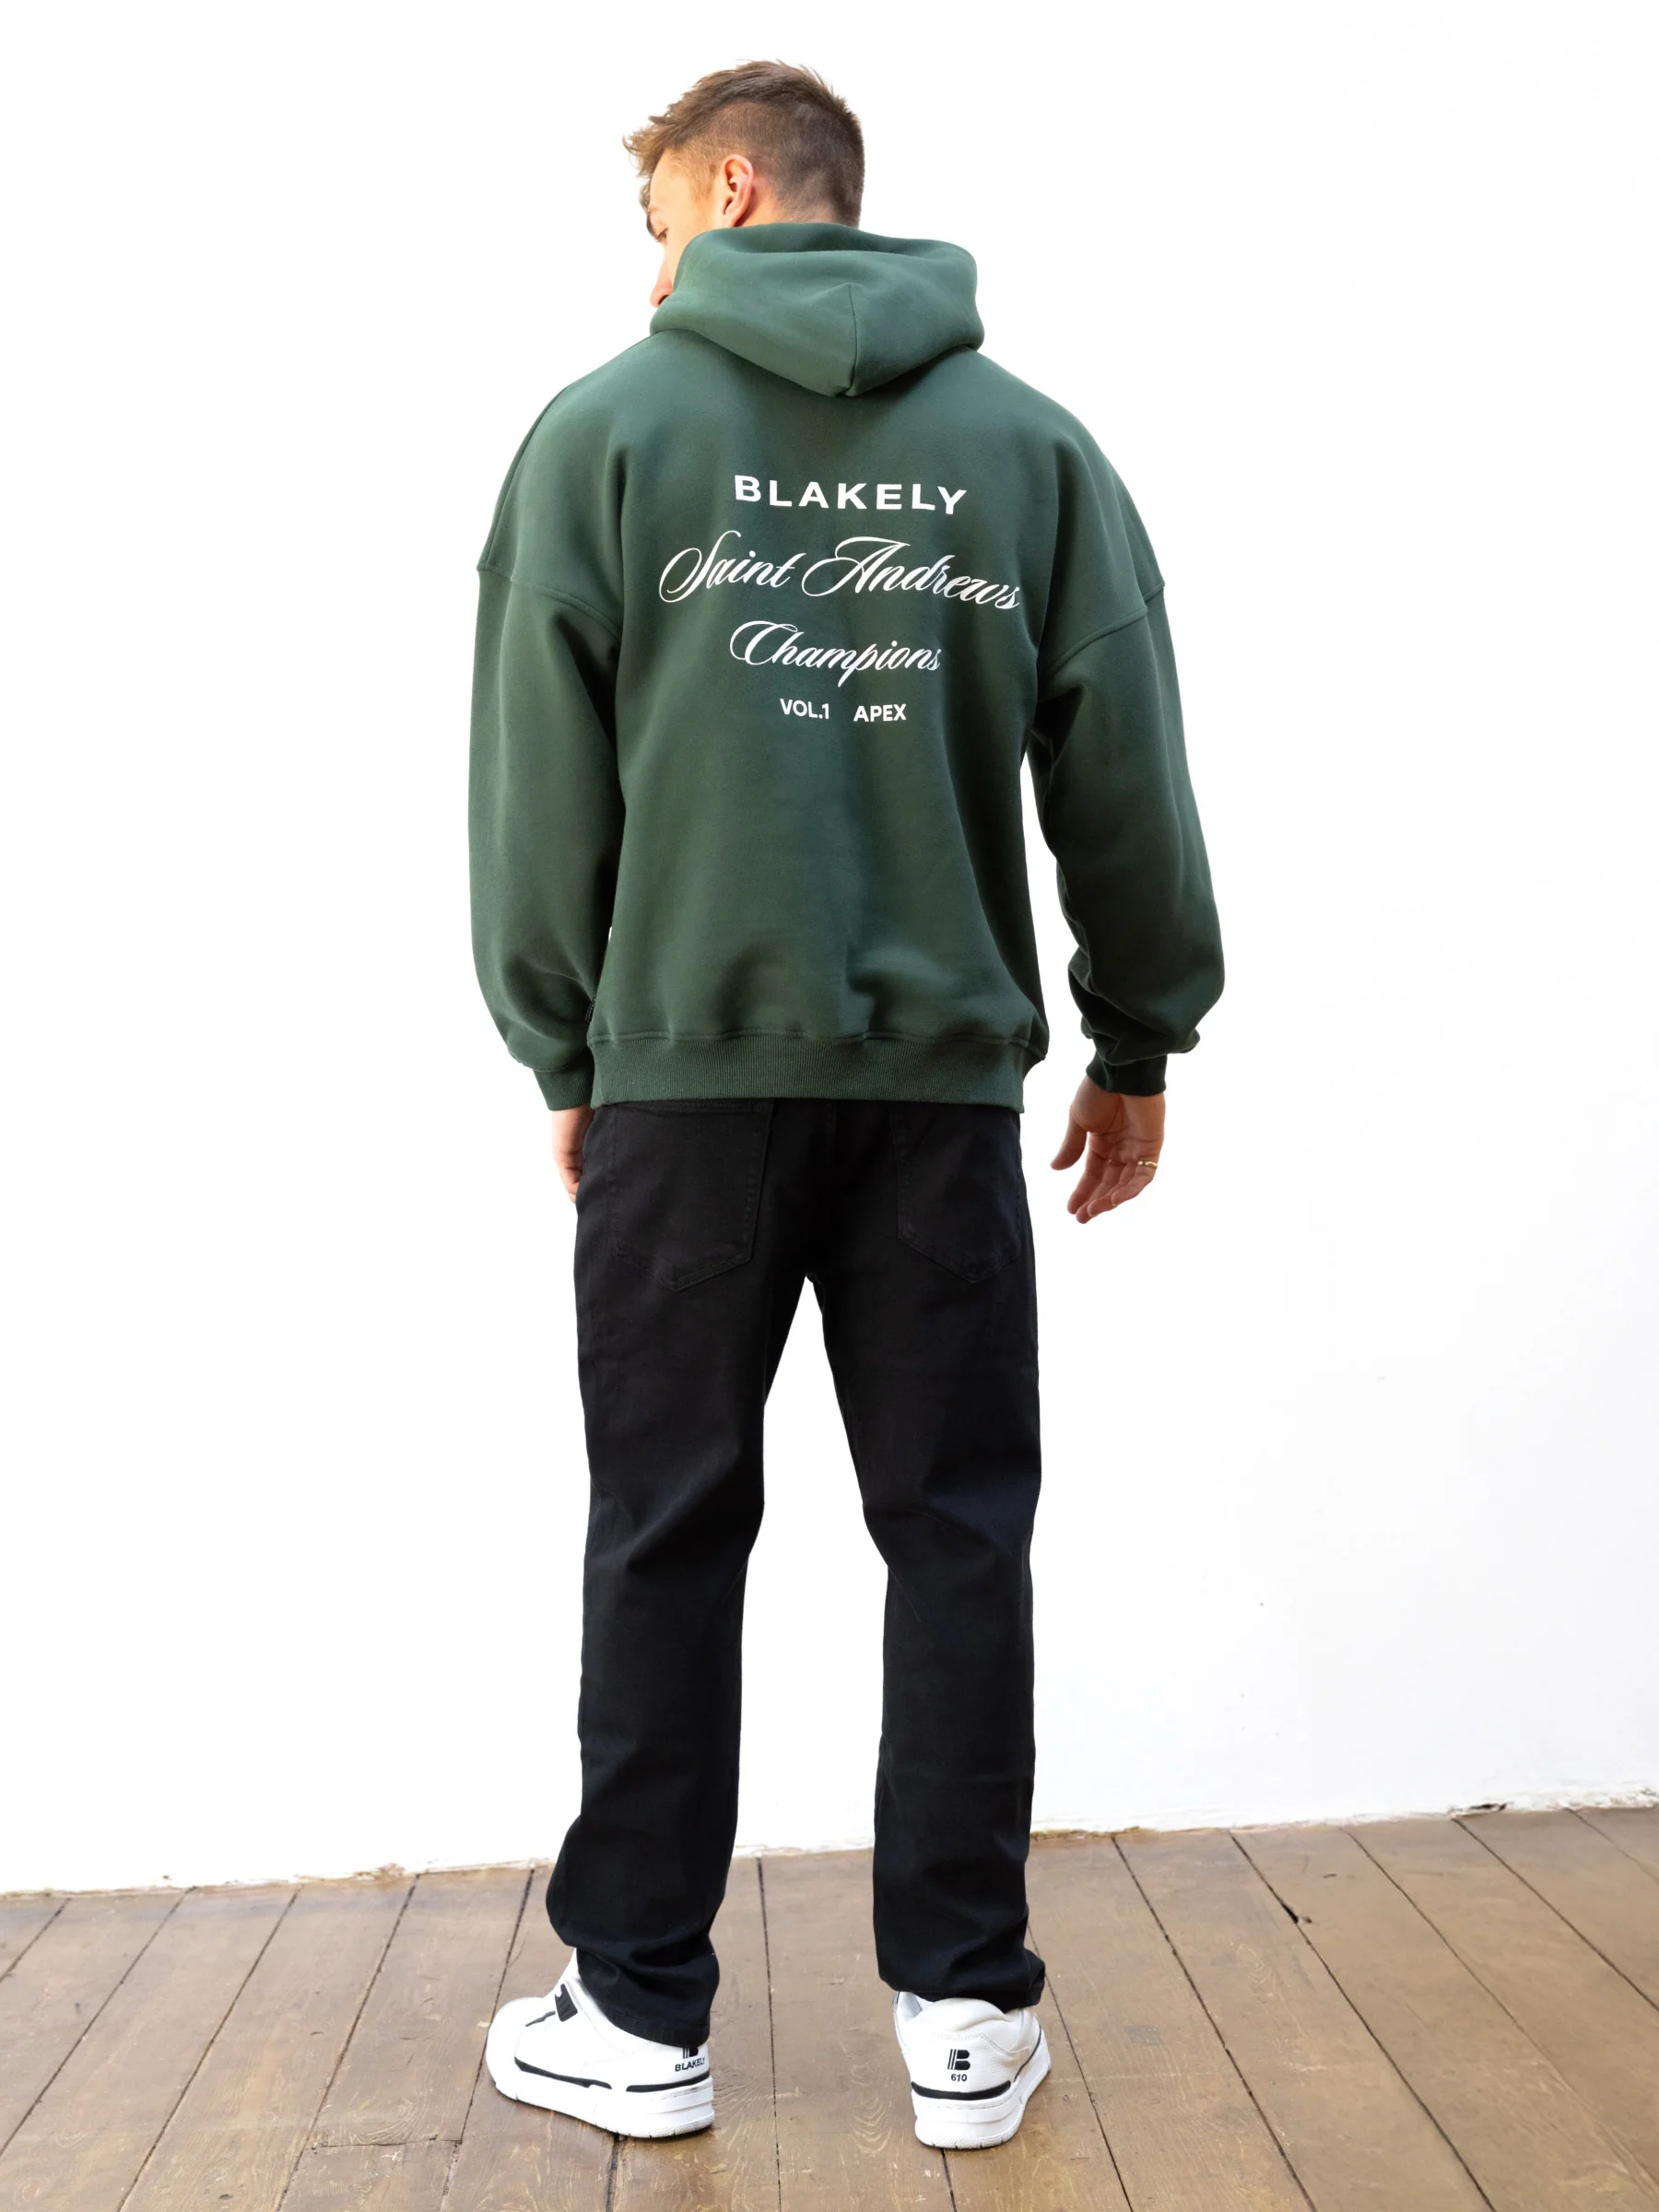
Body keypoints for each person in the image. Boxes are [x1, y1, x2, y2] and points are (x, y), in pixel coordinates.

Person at [470, 61, 1221, 2153]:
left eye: (655, 228)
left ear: (728, 188)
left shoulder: (605, 434)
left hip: (685, 1090)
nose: (648, 278)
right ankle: (967, 2015)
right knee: (959, 1535)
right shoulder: (1029, 448)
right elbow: (1127, 764)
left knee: (664, 1531)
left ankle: (639, 2013)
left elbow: (535, 783)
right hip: (936, 1103)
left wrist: (568, 1047)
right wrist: (1137, 1038)